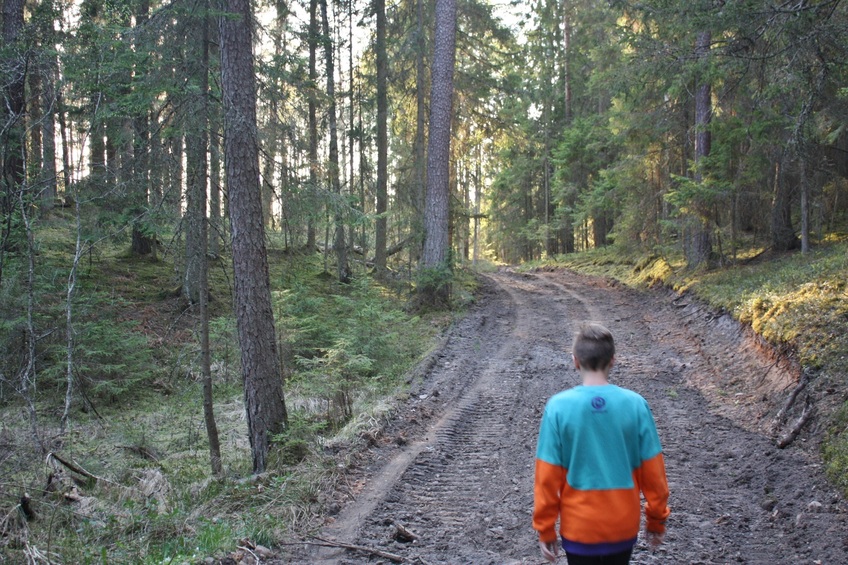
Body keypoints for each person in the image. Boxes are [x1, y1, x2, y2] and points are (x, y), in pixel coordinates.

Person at [533, 323, 670, 564]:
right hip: (622, 527)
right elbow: (654, 473)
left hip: (579, 528)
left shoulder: (558, 407)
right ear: (613, 360)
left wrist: (545, 528)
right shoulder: (636, 405)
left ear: (575, 361)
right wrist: (656, 520)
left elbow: (547, 478)